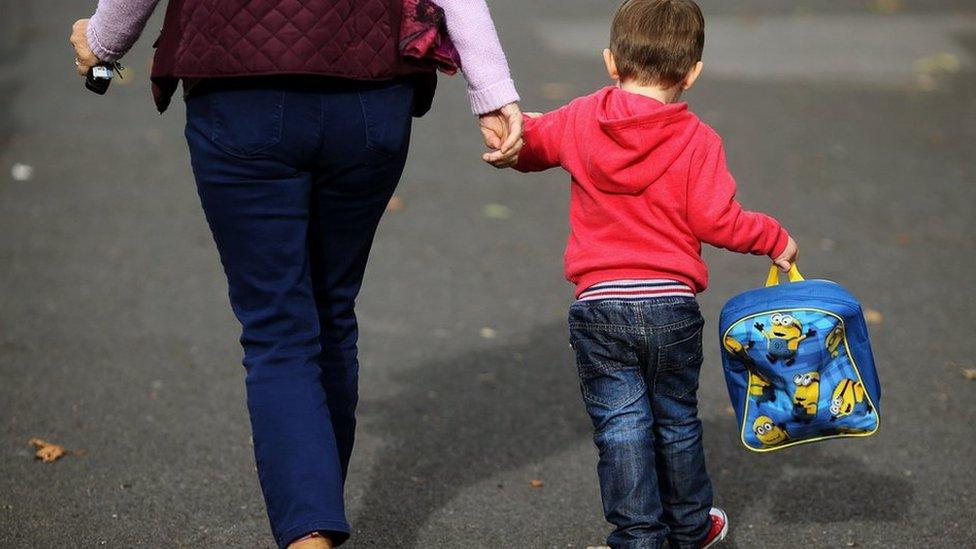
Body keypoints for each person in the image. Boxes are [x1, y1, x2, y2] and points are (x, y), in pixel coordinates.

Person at [69, 1, 523, 547]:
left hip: (239, 91)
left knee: (278, 328)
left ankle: (310, 534)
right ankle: (316, 523)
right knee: (331, 310)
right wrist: (492, 91)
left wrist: (104, 42)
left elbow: (114, 31)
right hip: (370, 93)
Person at [507, 1, 798, 547]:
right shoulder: (698, 140)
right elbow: (717, 220)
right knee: (677, 421)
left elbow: (534, 141)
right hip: (671, 306)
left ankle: (638, 535)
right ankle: (690, 528)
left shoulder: (580, 118)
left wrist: (510, 138)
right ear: (693, 73)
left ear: (611, 63)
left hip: (598, 305)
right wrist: (773, 237)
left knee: (620, 430)